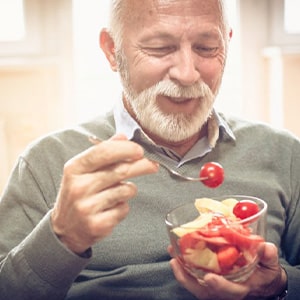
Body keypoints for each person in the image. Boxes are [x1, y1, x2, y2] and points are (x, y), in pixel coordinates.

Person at [0, 0, 299, 299]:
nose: (187, 74)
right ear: (111, 50)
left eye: (206, 48)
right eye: (159, 48)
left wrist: (280, 284)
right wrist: (62, 236)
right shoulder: (46, 162)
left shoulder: (285, 154)